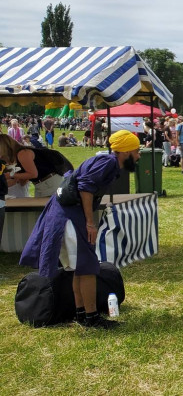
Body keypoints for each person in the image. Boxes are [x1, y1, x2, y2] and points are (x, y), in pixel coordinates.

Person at [19, 130, 142, 329]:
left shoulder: (106, 161)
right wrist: (90, 223)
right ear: (125, 151)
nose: (138, 155)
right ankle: (92, 318)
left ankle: (82, 314)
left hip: (64, 214)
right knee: (87, 267)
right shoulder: (108, 162)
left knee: (78, 268)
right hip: (69, 217)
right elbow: (85, 188)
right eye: (136, 151)